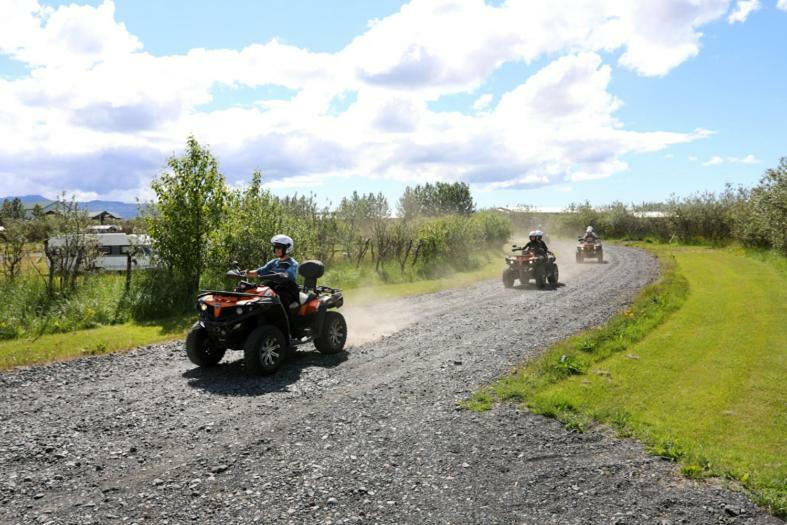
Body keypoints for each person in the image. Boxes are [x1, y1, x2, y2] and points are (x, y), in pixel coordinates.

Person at [247, 234, 300, 310]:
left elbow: (290, 274)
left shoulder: (293, 263)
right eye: (275, 247)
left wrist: (282, 274)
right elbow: (260, 271)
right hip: (273, 288)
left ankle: (288, 321)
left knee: (281, 301)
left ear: (287, 248)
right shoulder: (274, 262)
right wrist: (245, 273)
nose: (276, 250)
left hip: (287, 290)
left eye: (279, 247)